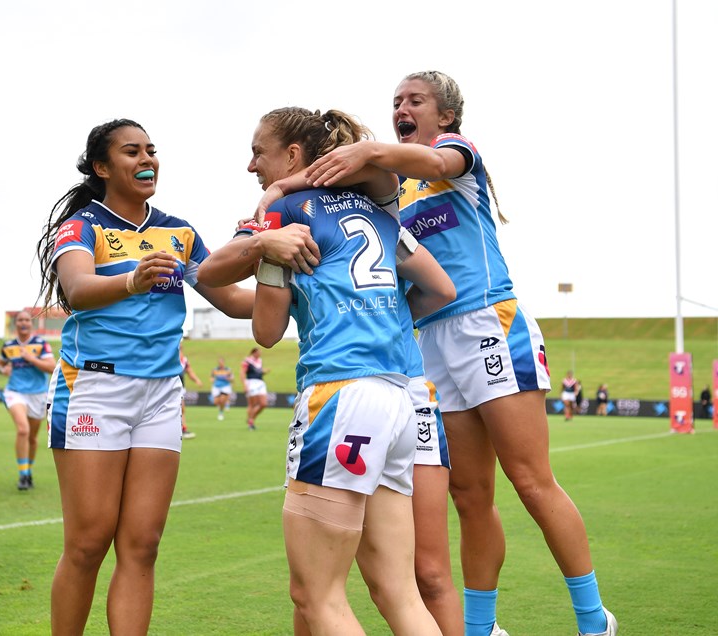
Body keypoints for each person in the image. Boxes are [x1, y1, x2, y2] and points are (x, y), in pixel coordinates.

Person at [302, 71, 618, 636]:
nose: (402, 107)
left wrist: (368, 149)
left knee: (530, 481)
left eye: (415, 100)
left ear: (444, 115)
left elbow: (435, 162)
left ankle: (594, 620)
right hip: (430, 341)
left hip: (489, 324)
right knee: (470, 496)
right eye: (396, 101)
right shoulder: (392, 190)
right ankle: (481, 628)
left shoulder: (455, 154)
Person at [232, 106, 455, 634]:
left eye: (258, 153)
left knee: (317, 596)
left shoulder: (284, 213)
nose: (251, 166)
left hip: (340, 394)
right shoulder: (381, 214)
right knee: (399, 594)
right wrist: (392, 315)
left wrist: (261, 250)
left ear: (293, 155)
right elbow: (442, 289)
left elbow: (266, 330)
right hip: (399, 400)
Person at [36, 118, 253, 635]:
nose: (147, 159)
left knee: (142, 545)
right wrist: (133, 280)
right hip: (94, 389)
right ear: (102, 167)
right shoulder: (83, 226)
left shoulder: (179, 232)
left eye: (151, 150)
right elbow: (77, 289)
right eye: (132, 151)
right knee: (88, 543)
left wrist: (297, 287)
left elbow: (230, 299)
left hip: (160, 395)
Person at [0, 310, 56, 490]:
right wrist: (3, 370)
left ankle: (28, 470)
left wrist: (31, 359)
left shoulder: (41, 344)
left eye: (27, 320)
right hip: (15, 392)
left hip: (38, 394)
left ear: (31, 324)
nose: (23, 323)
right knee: (23, 429)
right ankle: (23, 475)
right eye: (20, 320)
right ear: (16, 324)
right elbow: (0, 365)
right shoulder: (8, 346)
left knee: (32, 437)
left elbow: (52, 367)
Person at [241, 347, 269, 431]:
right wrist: (244, 385)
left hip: (260, 383)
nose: (260, 354)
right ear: (254, 353)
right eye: (258, 352)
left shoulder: (259, 361)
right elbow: (242, 372)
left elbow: (258, 372)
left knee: (263, 404)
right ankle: (251, 422)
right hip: (251, 382)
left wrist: (264, 372)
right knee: (252, 404)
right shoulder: (247, 361)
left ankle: (251, 419)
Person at [179, 344, 203, 439]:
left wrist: (197, 380)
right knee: (180, 408)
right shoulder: (170, 357)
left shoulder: (184, 360)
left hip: (180, 388)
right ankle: (182, 429)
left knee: (181, 409)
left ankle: (182, 429)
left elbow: (190, 372)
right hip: (171, 387)